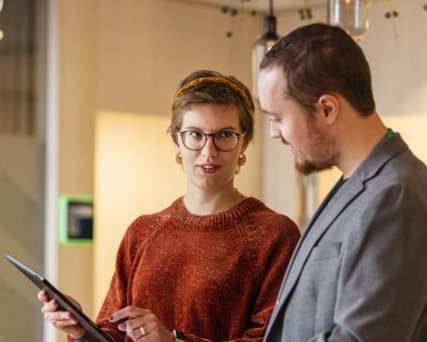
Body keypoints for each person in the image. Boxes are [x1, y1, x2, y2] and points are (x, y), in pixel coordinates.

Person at [39, 69, 300, 342]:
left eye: (225, 135)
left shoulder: (275, 235)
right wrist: (83, 332)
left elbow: (274, 339)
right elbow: (113, 332)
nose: (209, 152)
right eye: (195, 135)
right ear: (177, 140)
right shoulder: (142, 232)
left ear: (244, 142)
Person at [257, 22, 427, 341]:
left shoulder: (397, 195)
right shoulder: (359, 183)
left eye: (278, 118)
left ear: (326, 109)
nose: (274, 133)